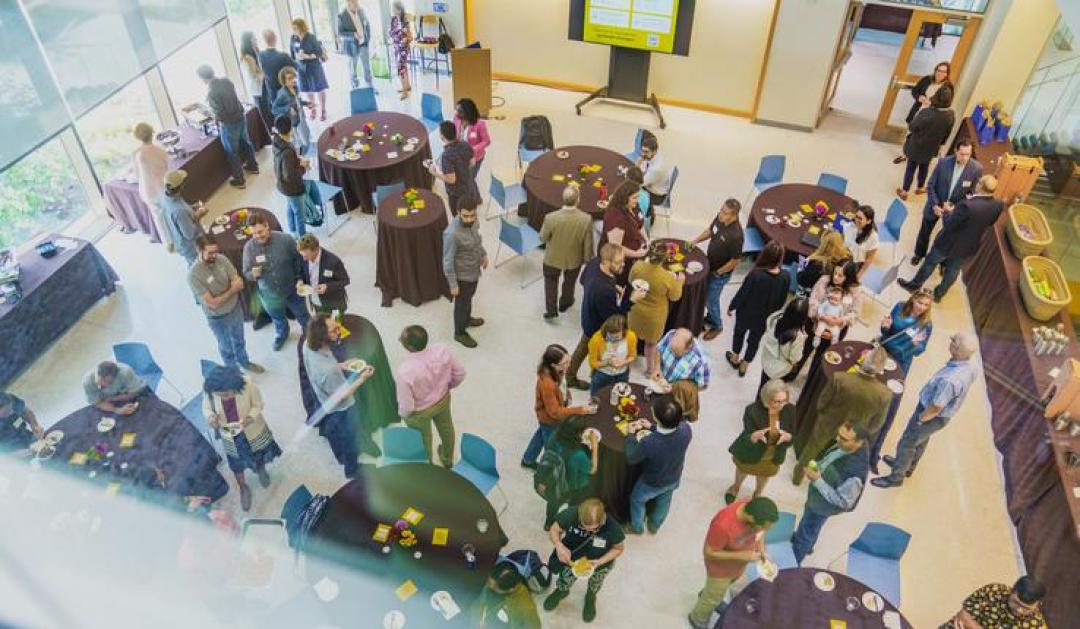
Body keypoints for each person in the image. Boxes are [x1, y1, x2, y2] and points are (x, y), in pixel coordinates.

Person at [873, 333, 978, 488]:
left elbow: (936, 406)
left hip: (930, 414)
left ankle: (896, 477)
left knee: (907, 443)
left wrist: (921, 419)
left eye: (953, 340)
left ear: (957, 349)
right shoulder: (971, 364)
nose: (950, 340)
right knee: (921, 440)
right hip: (941, 416)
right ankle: (908, 466)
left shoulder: (950, 380)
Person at [899, 175, 1005, 302]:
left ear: (981, 185)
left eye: (978, 182)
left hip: (947, 243)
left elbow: (949, 224)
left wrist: (947, 211)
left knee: (930, 263)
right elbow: (990, 223)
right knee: (953, 271)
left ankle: (914, 286)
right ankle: (938, 295)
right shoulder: (998, 205)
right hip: (968, 246)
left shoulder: (967, 205)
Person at [794, 347, 891, 485]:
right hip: (853, 434)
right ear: (881, 369)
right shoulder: (885, 394)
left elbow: (822, 403)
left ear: (864, 361)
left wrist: (825, 416)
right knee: (840, 460)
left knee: (811, 451)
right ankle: (828, 483)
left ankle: (797, 477)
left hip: (828, 424)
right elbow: (877, 423)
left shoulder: (840, 378)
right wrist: (859, 433)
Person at [302, 314, 375, 478]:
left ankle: (346, 456)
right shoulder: (328, 372)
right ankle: (352, 469)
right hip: (340, 408)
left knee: (342, 433)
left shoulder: (308, 344)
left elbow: (326, 366)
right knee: (349, 439)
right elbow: (340, 396)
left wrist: (342, 365)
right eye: (334, 330)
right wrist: (362, 378)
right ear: (322, 336)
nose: (339, 331)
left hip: (324, 398)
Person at [688, 497, 779, 629]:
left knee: (716, 591)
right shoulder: (722, 525)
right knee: (712, 596)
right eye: (761, 527)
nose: (763, 530)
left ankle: (710, 595)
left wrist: (761, 548)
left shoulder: (753, 509)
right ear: (751, 519)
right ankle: (697, 619)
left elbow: (761, 533)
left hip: (737, 566)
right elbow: (709, 552)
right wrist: (742, 556)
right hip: (720, 571)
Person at [201, 366, 280, 511]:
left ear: (234, 385)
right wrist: (211, 417)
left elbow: (258, 405)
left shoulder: (248, 384)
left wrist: (249, 419)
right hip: (228, 433)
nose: (224, 397)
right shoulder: (211, 390)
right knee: (236, 463)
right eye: (220, 395)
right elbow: (206, 408)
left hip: (251, 429)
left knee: (258, 453)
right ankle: (243, 487)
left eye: (226, 394)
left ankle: (261, 470)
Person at [791, 422, 870, 565]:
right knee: (812, 526)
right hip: (818, 496)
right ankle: (807, 545)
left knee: (808, 529)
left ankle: (793, 561)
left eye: (844, 439)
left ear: (859, 442)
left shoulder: (854, 473)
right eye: (838, 435)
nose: (838, 439)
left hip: (822, 505)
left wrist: (817, 480)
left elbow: (845, 502)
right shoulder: (848, 447)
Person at [567, 244, 643, 390]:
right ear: (607, 262)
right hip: (596, 325)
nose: (623, 264)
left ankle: (570, 375)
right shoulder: (603, 290)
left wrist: (613, 287)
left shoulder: (595, 263)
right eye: (618, 262)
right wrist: (632, 300)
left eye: (623, 260)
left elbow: (582, 280)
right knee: (588, 349)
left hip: (588, 312)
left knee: (582, 347)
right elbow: (615, 317)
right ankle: (573, 378)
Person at [188, 235, 264, 373]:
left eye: (216, 251)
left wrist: (228, 292)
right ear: (199, 251)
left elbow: (239, 282)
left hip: (235, 309)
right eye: (210, 253)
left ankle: (244, 362)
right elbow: (213, 304)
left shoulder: (222, 259)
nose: (215, 255)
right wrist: (232, 290)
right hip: (218, 319)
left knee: (239, 340)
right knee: (226, 348)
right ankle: (234, 374)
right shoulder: (193, 275)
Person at [544, 498, 626, 623]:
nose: (587, 531)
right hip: (572, 558)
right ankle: (561, 591)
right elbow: (554, 529)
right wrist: (559, 545)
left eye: (593, 529)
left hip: (600, 562)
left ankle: (590, 597)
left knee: (595, 583)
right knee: (565, 578)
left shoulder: (612, 527)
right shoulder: (571, 514)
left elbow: (618, 548)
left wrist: (600, 561)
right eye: (583, 526)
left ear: (602, 520)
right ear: (579, 515)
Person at [396, 325, 466, 467]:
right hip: (443, 399)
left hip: (420, 411)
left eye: (402, 339)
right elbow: (460, 373)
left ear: (409, 347)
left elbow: (407, 406)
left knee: (423, 440)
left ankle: (428, 467)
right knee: (446, 428)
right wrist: (447, 387)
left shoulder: (404, 372)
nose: (399, 339)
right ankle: (447, 458)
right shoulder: (443, 350)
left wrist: (402, 415)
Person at [242, 214, 310, 351]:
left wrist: (300, 279)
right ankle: (282, 334)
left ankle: (310, 334)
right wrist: (252, 274)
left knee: (303, 315)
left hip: (292, 289)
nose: (257, 236)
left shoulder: (286, 240)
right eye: (254, 233)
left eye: (260, 231)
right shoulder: (248, 248)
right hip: (269, 294)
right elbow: (246, 272)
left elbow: (299, 260)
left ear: (267, 226)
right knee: (278, 319)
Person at [625, 397, 692, 535]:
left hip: (653, 481)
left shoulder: (649, 443)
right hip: (675, 475)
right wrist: (652, 427)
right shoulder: (686, 429)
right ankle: (655, 525)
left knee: (637, 500)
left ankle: (637, 527)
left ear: (656, 418)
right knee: (665, 501)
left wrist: (630, 434)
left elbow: (631, 457)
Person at [523, 344, 596, 470]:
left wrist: (567, 395)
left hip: (546, 418)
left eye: (569, 360)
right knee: (552, 446)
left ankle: (528, 460)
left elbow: (562, 386)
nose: (569, 365)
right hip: (550, 420)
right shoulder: (547, 384)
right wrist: (580, 410)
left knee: (540, 436)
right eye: (565, 363)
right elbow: (555, 412)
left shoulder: (557, 371)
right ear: (553, 365)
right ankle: (549, 469)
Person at [912, 139, 983, 265]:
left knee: (948, 237)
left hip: (955, 210)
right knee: (925, 231)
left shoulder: (977, 169)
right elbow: (931, 185)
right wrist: (935, 204)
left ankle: (942, 261)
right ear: (956, 151)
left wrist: (955, 207)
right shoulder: (943, 163)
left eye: (968, 154)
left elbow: (971, 194)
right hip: (935, 205)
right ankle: (919, 254)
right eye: (962, 154)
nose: (965, 158)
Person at [726, 241, 789, 378]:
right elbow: (782, 301)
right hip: (764, 319)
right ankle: (744, 366)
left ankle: (735, 358)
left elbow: (743, 293)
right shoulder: (785, 277)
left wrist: (732, 306)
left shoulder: (755, 274)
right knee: (754, 342)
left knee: (739, 334)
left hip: (745, 314)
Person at [726, 380, 795, 503]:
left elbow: (795, 434)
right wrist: (754, 436)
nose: (781, 405)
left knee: (764, 475)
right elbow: (747, 434)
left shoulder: (791, 411)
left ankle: (758, 493)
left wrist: (789, 437)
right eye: (777, 401)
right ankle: (736, 487)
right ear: (767, 399)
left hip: (773, 454)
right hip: (752, 450)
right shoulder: (752, 410)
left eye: (784, 400)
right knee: (742, 469)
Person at [628, 241, 685, 375]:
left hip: (635, 311)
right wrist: (680, 281)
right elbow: (675, 297)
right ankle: (649, 370)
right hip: (654, 317)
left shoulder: (637, 265)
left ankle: (627, 363)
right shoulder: (666, 277)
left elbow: (630, 280)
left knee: (631, 338)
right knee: (651, 344)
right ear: (665, 257)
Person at [197, 65, 258, 189]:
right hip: (241, 117)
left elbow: (220, 114)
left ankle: (239, 179)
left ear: (203, 78)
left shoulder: (211, 93)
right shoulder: (226, 81)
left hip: (229, 124)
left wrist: (212, 115)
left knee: (232, 152)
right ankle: (253, 166)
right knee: (246, 142)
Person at [798, 260, 863, 372]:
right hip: (816, 322)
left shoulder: (855, 291)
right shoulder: (824, 280)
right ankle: (793, 373)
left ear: (848, 278)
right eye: (835, 273)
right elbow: (813, 300)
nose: (835, 277)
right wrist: (821, 317)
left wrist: (840, 321)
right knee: (804, 350)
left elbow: (855, 313)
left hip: (837, 328)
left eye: (840, 275)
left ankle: (812, 378)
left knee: (821, 359)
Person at [540, 185, 594, 319]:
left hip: (553, 258)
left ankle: (551, 310)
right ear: (578, 200)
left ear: (563, 199)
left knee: (551, 282)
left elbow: (542, 238)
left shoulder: (550, 218)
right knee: (570, 282)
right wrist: (587, 260)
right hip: (574, 258)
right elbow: (588, 244)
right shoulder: (586, 219)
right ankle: (565, 302)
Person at [692, 198, 742, 339]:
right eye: (721, 210)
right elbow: (710, 230)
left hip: (719, 274)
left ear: (734, 215)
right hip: (710, 265)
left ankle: (717, 325)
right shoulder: (720, 219)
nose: (720, 214)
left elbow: (735, 261)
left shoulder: (736, 235)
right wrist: (696, 241)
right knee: (705, 295)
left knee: (711, 300)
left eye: (725, 213)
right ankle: (709, 318)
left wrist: (718, 273)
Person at [897, 85, 955, 200]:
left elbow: (912, 127)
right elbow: (947, 133)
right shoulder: (950, 115)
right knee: (924, 167)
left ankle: (904, 191)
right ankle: (920, 187)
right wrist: (941, 145)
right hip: (932, 148)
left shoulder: (926, 112)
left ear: (936, 96)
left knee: (911, 168)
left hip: (916, 145)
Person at [540, 416, 599, 528]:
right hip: (573, 485)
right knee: (574, 505)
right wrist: (595, 446)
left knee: (553, 502)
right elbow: (592, 469)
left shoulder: (554, 436)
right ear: (578, 434)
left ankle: (549, 523)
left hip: (554, 479)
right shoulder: (578, 455)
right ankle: (568, 523)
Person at [442, 201, 487, 348]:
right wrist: (453, 284)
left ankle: (467, 320)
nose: (469, 219)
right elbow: (447, 261)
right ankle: (459, 333)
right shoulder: (451, 234)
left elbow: (477, 241)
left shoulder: (474, 222)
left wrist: (483, 254)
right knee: (461, 305)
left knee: (468, 299)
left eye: (472, 215)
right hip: (462, 277)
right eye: (465, 216)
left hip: (474, 272)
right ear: (458, 213)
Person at [893, 61, 952, 164]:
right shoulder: (927, 79)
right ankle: (904, 154)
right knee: (910, 132)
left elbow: (946, 104)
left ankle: (915, 157)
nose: (940, 73)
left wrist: (932, 104)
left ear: (947, 74)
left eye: (943, 72)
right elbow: (915, 91)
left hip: (931, 115)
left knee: (921, 136)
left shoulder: (947, 87)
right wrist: (919, 97)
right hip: (918, 110)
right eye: (938, 70)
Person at [943, 576, 1047, 629]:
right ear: (1011, 591)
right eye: (1016, 603)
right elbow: (963, 616)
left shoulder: (1036, 625)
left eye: (1026, 608)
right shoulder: (994, 590)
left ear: (1038, 604)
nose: (1019, 610)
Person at [130, 122, 172, 250]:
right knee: (169, 212)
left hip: (147, 190)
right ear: (152, 133)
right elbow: (168, 169)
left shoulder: (136, 154)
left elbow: (136, 174)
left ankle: (168, 243)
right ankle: (176, 236)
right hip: (162, 187)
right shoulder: (160, 151)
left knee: (158, 217)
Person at [655, 328, 710, 421]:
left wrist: (676, 388)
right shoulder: (670, 335)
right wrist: (657, 367)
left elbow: (703, 386)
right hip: (662, 385)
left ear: (689, 348)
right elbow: (659, 350)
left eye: (676, 352)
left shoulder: (701, 362)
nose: (673, 354)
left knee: (671, 419)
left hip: (678, 396)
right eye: (671, 350)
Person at [471, 562, 543, 629]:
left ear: (511, 589)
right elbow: (480, 603)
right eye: (489, 582)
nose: (490, 586)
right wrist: (478, 621)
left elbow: (534, 626)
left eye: (495, 588)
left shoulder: (525, 605)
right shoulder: (495, 582)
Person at [271, 115, 310, 236]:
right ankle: (302, 238)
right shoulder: (287, 151)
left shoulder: (277, 142)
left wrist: (297, 160)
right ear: (291, 128)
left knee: (290, 206)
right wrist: (303, 167)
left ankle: (292, 231)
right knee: (299, 213)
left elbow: (285, 165)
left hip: (283, 185)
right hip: (292, 187)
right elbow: (290, 175)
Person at [428, 121, 478, 216]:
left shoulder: (447, 155)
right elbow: (473, 162)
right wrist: (462, 169)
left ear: (442, 137)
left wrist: (434, 173)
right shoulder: (465, 144)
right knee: (469, 212)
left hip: (456, 193)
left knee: (458, 216)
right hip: (468, 186)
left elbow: (451, 180)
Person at [159, 169, 208, 266]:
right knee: (200, 266)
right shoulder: (179, 211)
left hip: (180, 242)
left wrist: (193, 207)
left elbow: (181, 210)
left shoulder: (166, 198)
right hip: (192, 248)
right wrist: (198, 215)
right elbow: (189, 234)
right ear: (181, 186)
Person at [600, 180, 649, 276]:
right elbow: (616, 247)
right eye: (634, 197)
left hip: (635, 253)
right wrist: (637, 254)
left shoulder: (634, 206)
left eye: (638, 197)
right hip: (620, 261)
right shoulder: (616, 217)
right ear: (625, 198)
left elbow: (640, 224)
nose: (638, 200)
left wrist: (646, 240)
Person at [880, 289, 933, 375]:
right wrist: (885, 327)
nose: (922, 307)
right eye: (920, 303)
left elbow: (920, 350)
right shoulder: (900, 307)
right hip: (884, 350)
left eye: (926, 305)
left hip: (900, 360)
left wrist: (916, 344)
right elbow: (886, 332)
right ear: (913, 299)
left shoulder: (926, 324)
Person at [760, 298, 810, 388]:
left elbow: (768, 324)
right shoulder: (798, 336)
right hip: (779, 369)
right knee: (771, 389)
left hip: (766, 358)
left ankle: (759, 395)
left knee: (763, 383)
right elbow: (795, 357)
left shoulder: (776, 316)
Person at [296, 234, 349, 314]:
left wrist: (327, 286)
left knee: (336, 322)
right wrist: (300, 280)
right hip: (316, 302)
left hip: (333, 305)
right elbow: (301, 272)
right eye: (302, 255)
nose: (304, 259)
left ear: (316, 250)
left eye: (306, 256)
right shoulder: (303, 256)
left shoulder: (333, 261)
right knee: (321, 321)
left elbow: (345, 280)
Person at [289, 18, 329, 121]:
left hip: (314, 67)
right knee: (308, 90)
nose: (293, 31)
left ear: (301, 28)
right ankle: (313, 109)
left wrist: (308, 56)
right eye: (293, 28)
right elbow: (292, 54)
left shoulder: (311, 37)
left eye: (295, 28)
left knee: (319, 88)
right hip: (301, 68)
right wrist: (297, 59)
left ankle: (323, 110)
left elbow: (319, 52)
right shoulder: (293, 38)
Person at [587, 314, 637, 395]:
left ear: (624, 331)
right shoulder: (596, 340)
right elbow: (593, 362)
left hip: (622, 374)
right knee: (596, 396)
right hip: (602, 374)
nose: (613, 340)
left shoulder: (631, 337)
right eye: (610, 337)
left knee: (620, 396)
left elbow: (633, 356)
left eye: (617, 337)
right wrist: (608, 362)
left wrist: (623, 362)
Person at [272, 66, 313, 155]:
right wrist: (288, 109)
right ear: (284, 81)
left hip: (301, 118)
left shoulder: (295, 88)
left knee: (307, 139)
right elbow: (274, 109)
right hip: (293, 123)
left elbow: (297, 101)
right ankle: (299, 158)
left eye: (294, 77)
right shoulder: (282, 94)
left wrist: (307, 104)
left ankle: (301, 156)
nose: (293, 80)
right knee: (299, 144)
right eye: (289, 78)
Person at [83, 361, 148, 414]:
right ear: (96, 374)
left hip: (125, 393)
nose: (104, 384)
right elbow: (97, 403)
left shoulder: (125, 372)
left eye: (109, 382)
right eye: (101, 381)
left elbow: (135, 392)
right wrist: (117, 410)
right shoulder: (88, 382)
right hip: (107, 400)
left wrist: (113, 398)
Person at [796, 231, 850, 295]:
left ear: (824, 245)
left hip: (811, 294)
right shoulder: (845, 261)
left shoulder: (817, 264)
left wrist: (800, 267)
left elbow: (802, 281)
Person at [337, 0, 372, 90]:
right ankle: (355, 87)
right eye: (354, 2)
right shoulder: (341, 16)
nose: (357, 4)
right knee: (353, 69)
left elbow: (367, 24)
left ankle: (370, 86)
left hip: (364, 44)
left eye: (357, 2)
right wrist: (353, 34)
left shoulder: (361, 11)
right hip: (352, 46)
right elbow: (340, 33)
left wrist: (368, 37)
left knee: (367, 67)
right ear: (348, 3)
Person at [455, 98, 491, 180]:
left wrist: (473, 149)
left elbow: (487, 141)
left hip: (475, 157)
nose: (456, 113)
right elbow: (455, 133)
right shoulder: (457, 118)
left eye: (460, 111)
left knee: (470, 178)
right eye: (456, 110)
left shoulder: (480, 124)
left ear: (467, 112)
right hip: (460, 154)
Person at [636, 131, 671, 210]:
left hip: (656, 196)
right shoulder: (655, 156)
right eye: (642, 151)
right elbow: (645, 170)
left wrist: (637, 165)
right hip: (654, 186)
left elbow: (639, 183)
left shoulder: (656, 169)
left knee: (630, 193)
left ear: (654, 151)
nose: (643, 154)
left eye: (646, 152)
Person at [258, 29, 297, 98]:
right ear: (275, 39)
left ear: (264, 40)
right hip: (285, 91)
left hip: (271, 91)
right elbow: (296, 67)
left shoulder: (261, 55)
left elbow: (263, 70)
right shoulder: (284, 56)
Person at [842, 205, 878, 278]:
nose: (856, 220)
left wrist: (859, 275)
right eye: (856, 216)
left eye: (860, 218)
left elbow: (869, 259)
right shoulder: (849, 225)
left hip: (855, 262)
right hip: (843, 254)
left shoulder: (873, 237)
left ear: (868, 221)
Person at [238, 33, 266, 121]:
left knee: (266, 112)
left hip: (260, 88)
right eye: (254, 38)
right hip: (258, 90)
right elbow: (253, 75)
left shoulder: (253, 54)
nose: (256, 40)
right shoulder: (248, 57)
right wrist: (265, 73)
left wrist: (258, 52)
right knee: (265, 114)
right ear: (249, 40)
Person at [389, 2, 413, 99]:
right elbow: (391, 32)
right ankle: (407, 86)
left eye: (394, 8)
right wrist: (396, 35)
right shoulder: (393, 19)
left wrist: (404, 38)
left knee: (400, 67)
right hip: (396, 46)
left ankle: (405, 92)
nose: (392, 10)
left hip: (403, 47)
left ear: (399, 10)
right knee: (403, 66)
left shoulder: (405, 20)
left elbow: (409, 35)